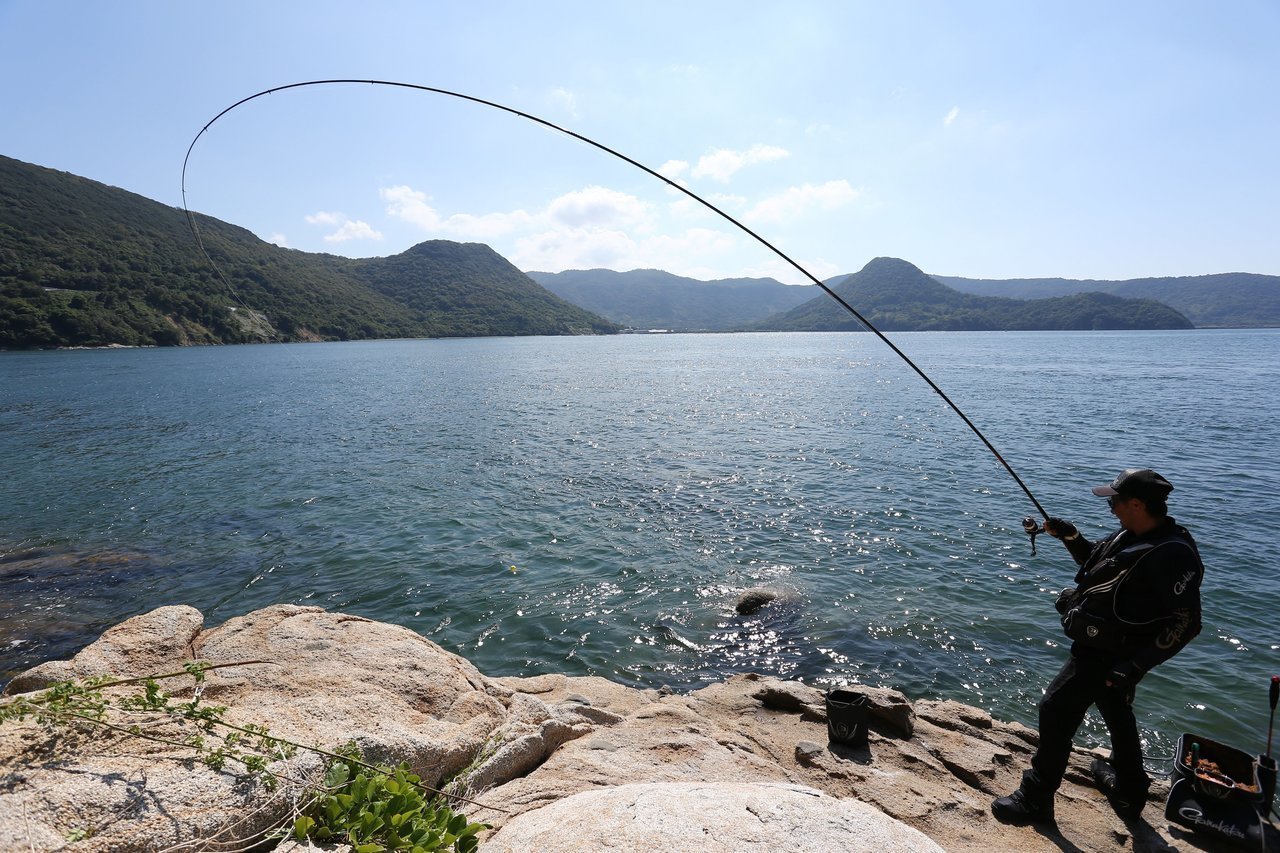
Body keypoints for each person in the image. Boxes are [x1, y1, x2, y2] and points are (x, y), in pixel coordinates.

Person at [991, 468, 1204, 824]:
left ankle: (1035, 797)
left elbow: (1187, 623)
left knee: (1055, 710)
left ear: (1136, 503)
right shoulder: (1131, 533)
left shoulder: (1171, 554)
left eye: (1115, 500)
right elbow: (1097, 566)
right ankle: (1130, 790)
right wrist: (1070, 536)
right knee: (1116, 712)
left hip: (1111, 653)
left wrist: (1136, 665)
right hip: (1108, 648)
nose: (1111, 506)